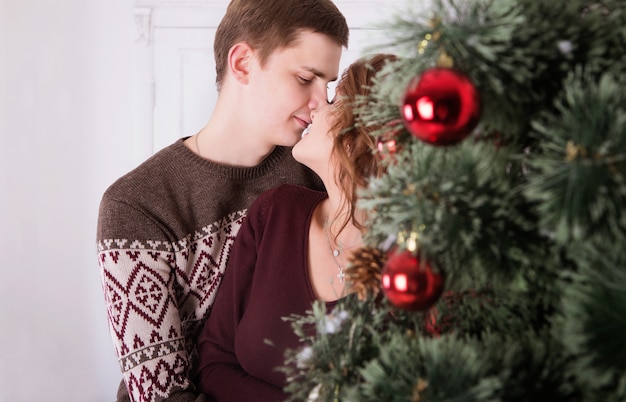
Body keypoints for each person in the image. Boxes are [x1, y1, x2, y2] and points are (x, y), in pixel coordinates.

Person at [96, 1, 349, 401]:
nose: (324, 102)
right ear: (243, 63)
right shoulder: (136, 205)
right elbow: (164, 396)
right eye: (305, 78)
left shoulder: (315, 171)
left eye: (329, 85)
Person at [195, 53, 398, 402]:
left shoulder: (420, 270)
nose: (316, 105)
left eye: (335, 99)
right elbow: (214, 363)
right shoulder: (275, 212)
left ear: (362, 134)